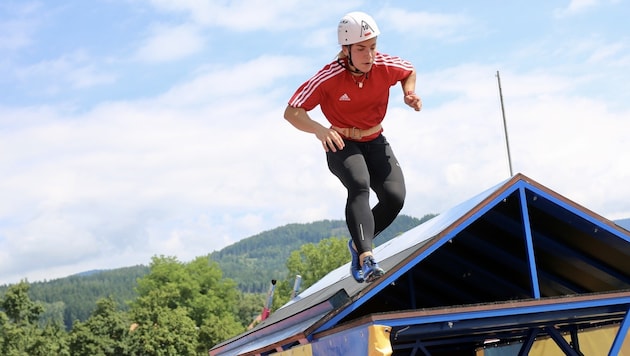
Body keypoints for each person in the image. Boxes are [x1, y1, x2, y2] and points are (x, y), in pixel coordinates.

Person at [284, 11, 422, 283]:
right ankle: (367, 258)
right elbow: (292, 112)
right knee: (359, 183)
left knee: (395, 197)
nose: (369, 55)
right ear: (345, 50)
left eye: (372, 47)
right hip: (341, 142)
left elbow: (409, 70)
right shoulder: (328, 77)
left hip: (375, 139)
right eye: (361, 49)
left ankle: (358, 244)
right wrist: (320, 130)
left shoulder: (384, 65)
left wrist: (409, 93)